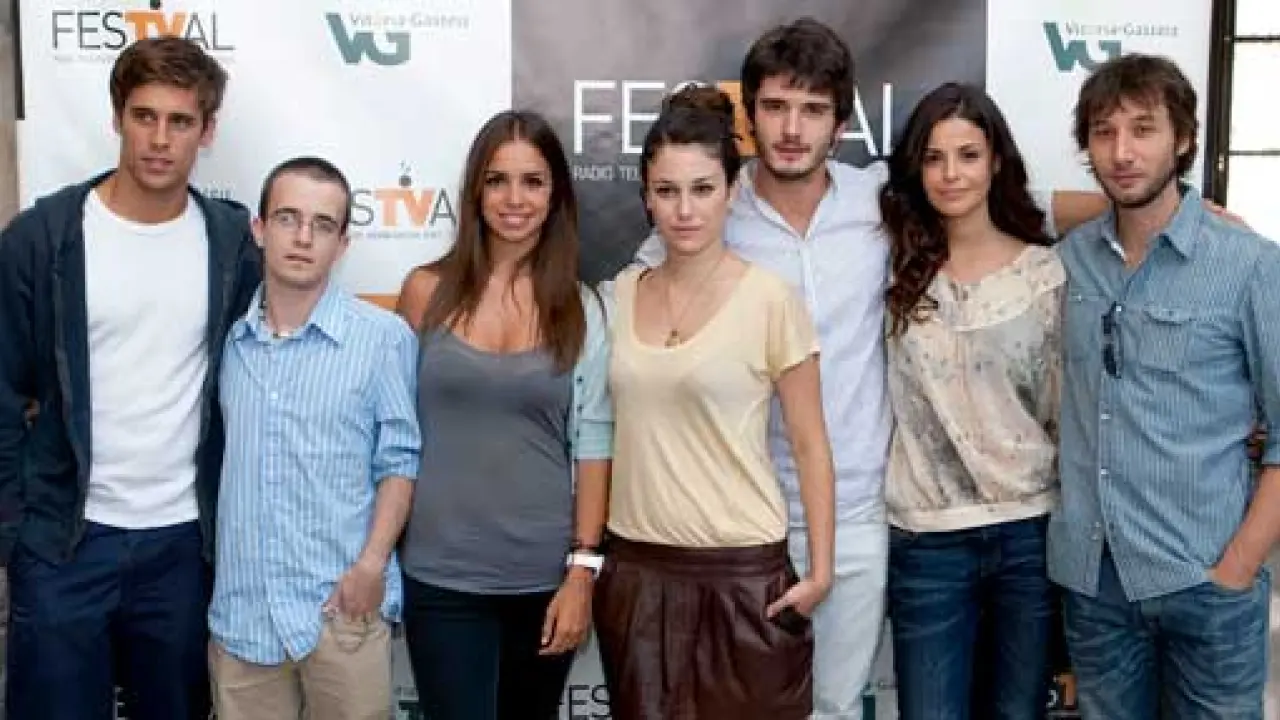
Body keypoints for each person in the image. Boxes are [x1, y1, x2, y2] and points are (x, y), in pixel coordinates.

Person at [632, 19, 1108, 717]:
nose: (791, 128)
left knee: (834, 707)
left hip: (860, 513)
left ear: (841, 123)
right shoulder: (711, 207)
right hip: (739, 519)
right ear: (749, 115)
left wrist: (1153, 208)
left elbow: (1010, 203)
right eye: (775, 106)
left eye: (813, 109)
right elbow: (637, 311)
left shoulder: (881, 201)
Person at [0, 37, 260, 720]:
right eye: (145, 116)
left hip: (183, 546)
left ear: (207, 131)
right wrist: (14, 531)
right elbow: (3, 388)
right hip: (64, 541)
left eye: (180, 121)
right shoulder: (42, 237)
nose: (160, 139)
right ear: (117, 117)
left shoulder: (231, 243)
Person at [1049, 53, 1280, 719]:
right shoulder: (1066, 263)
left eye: (1143, 129)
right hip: (1095, 585)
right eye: (1104, 132)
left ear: (1183, 139)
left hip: (1207, 584)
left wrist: (1237, 568)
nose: (1122, 152)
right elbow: (987, 199)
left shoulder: (1248, 264)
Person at [595, 84, 835, 720]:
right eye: (667, 190)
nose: (684, 209)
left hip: (743, 574)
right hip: (638, 573)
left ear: (732, 192)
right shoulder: (617, 297)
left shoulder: (771, 300)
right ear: (646, 197)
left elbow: (810, 443)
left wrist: (820, 574)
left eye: (702, 189)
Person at [395, 109, 613, 720]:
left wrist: (582, 572)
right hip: (440, 576)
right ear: (475, 191)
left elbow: (594, 445)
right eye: (497, 180)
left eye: (533, 181)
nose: (514, 199)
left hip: (544, 581)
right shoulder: (424, 292)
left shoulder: (582, 309)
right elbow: (391, 434)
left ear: (556, 195)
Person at [207, 157, 420, 720]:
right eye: (287, 218)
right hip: (244, 619)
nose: (303, 238)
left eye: (322, 225)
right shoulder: (226, 342)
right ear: (259, 229)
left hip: (342, 614)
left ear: (342, 243)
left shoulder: (382, 339)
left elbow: (400, 462)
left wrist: (371, 566)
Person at [879, 82, 1062, 720]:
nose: (951, 174)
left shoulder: (1045, 275)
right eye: (933, 158)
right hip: (927, 541)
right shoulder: (891, 264)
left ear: (996, 161)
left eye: (968, 155)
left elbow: (1059, 410)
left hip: (1028, 535)